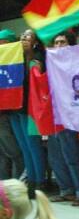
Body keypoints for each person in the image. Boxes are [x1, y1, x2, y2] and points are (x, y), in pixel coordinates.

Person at [46, 31, 79, 206]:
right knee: (56, 156)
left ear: (71, 45)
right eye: (56, 43)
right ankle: (67, 190)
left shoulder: (76, 63)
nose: (58, 46)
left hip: (73, 114)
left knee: (73, 155)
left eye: (62, 42)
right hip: (56, 114)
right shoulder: (51, 62)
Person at [9, 30, 46, 197]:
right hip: (13, 107)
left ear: (35, 41)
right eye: (22, 35)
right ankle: (30, 180)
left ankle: (40, 182)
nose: (24, 37)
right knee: (24, 147)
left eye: (28, 36)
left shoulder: (38, 57)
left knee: (33, 146)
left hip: (29, 108)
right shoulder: (13, 57)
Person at [0, 29, 24, 180]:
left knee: (14, 153)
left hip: (9, 114)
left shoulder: (15, 60)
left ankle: (16, 186)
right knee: (2, 154)